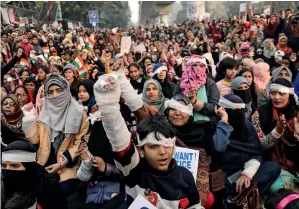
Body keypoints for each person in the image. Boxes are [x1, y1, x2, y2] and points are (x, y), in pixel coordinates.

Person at [93, 73, 204, 208]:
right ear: (141, 150)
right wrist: (108, 105)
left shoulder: (185, 176)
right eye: (153, 146)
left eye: (167, 145)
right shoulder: (135, 172)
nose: (162, 152)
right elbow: (119, 141)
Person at [21, 75, 89, 196]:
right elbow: (35, 140)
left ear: (66, 90)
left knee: (61, 192)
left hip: (66, 164)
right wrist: (28, 119)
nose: (55, 95)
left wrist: (61, 164)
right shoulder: (44, 111)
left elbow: (80, 143)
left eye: (59, 90)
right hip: (44, 161)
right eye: (50, 92)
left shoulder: (79, 112)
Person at [164, 94, 230, 209]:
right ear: (167, 113)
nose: (178, 113)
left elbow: (219, 147)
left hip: (206, 188)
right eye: (173, 109)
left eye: (182, 109)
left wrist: (224, 118)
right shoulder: (162, 134)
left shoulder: (204, 130)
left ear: (190, 114)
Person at [214, 94, 281, 199]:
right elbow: (219, 147)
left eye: (241, 110)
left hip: (245, 171)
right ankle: (243, 196)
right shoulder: (215, 125)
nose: (239, 114)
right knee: (218, 182)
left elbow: (256, 152)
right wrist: (224, 122)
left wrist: (247, 173)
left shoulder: (246, 126)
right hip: (225, 174)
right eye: (235, 110)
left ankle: (242, 196)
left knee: (273, 167)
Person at [252, 78, 299, 175]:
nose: (276, 97)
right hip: (269, 163)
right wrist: (276, 132)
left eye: (281, 94)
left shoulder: (297, 115)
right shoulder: (259, 114)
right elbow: (261, 144)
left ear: (289, 95)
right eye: (273, 93)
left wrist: (297, 135)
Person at [1, 140, 68, 209]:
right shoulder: (3, 182)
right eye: (4, 165)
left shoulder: (48, 187)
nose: (7, 170)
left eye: (14, 166)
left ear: (29, 167)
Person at [175, 55, 220, 122]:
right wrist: (187, 98)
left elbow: (214, 108)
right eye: (194, 65)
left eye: (201, 66)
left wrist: (195, 102)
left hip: (207, 124)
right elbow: (175, 105)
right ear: (188, 67)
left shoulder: (210, 83)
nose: (198, 68)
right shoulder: (181, 83)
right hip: (186, 124)